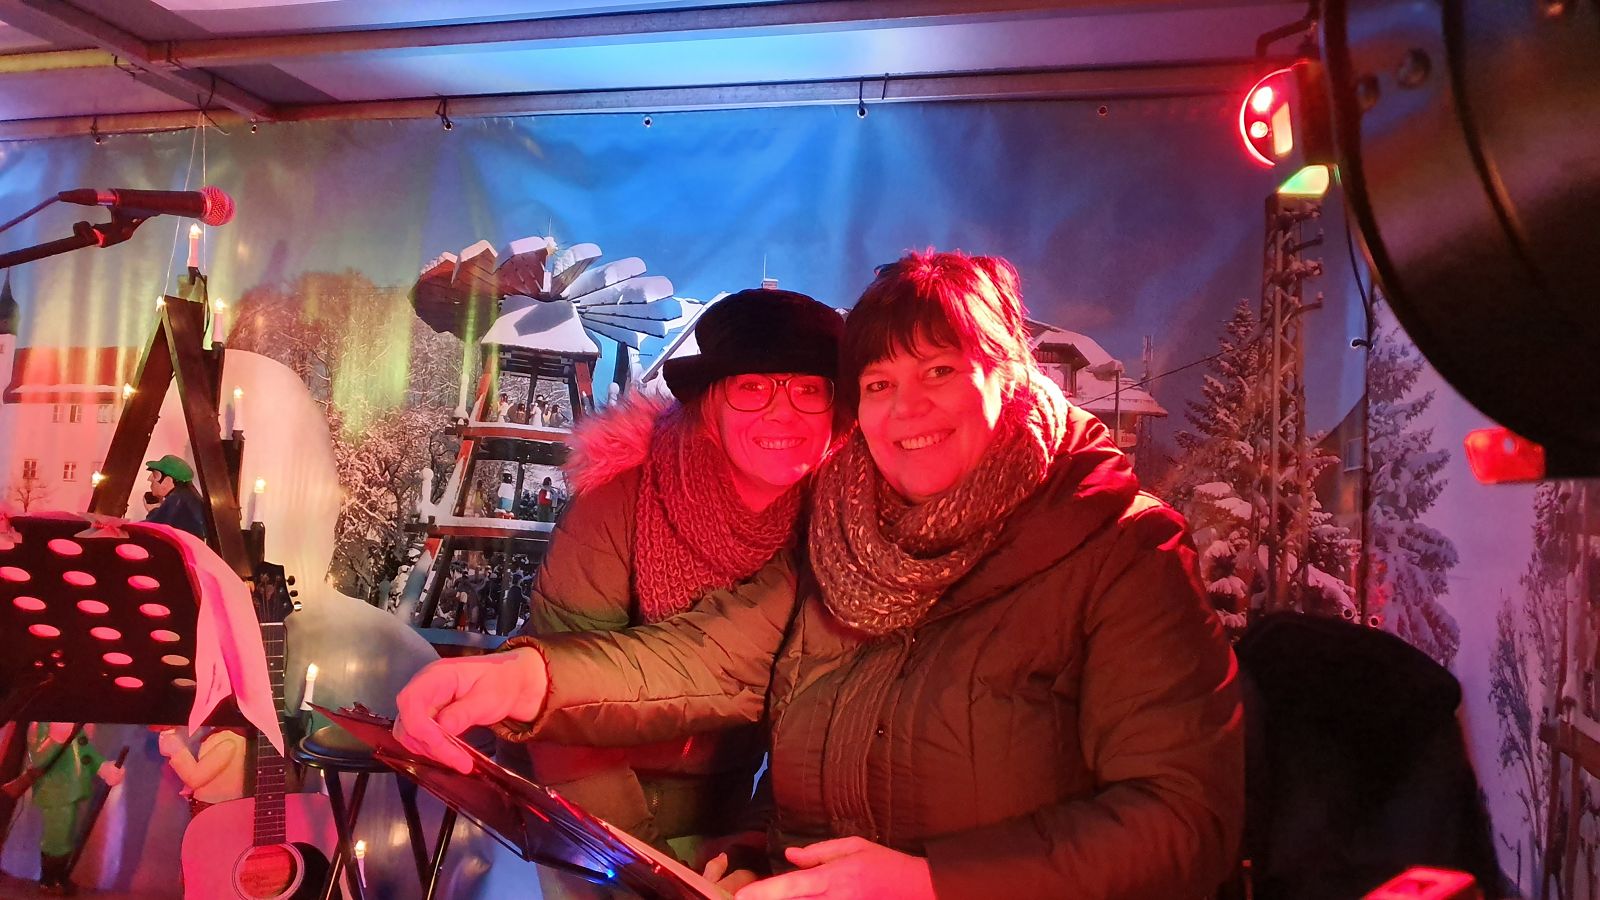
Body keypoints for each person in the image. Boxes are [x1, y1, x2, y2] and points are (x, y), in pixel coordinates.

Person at [396, 253, 1242, 899]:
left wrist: (929, 881)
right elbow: (710, 655)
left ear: (1008, 374)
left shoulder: (1120, 552)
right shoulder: (844, 530)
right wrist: (520, 679)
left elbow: (1184, 823)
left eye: (940, 370)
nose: (907, 407)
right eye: (879, 381)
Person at [502, 287, 846, 896]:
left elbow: (818, 718)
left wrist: (753, 842)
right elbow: (565, 710)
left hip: (724, 817)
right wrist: (645, 870)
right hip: (589, 813)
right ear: (711, 401)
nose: (782, 412)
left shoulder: (835, 528)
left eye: (808, 389)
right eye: (752, 387)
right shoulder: (620, 502)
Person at [23, 723, 124, 895]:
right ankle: (49, 880)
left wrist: (104, 768)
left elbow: (86, 752)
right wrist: (55, 739)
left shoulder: (75, 727)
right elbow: (39, 758)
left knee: (66, 836)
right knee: (56, 838)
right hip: (55, 791)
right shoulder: (40, 726)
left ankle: (58, 878)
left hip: (73, 791)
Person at [142, 454, 207, 539]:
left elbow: (151, 527)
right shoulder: (188, 496)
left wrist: (152, 511)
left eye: (155, 475)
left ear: (168, 480)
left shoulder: (176, 499)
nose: (150, 479)